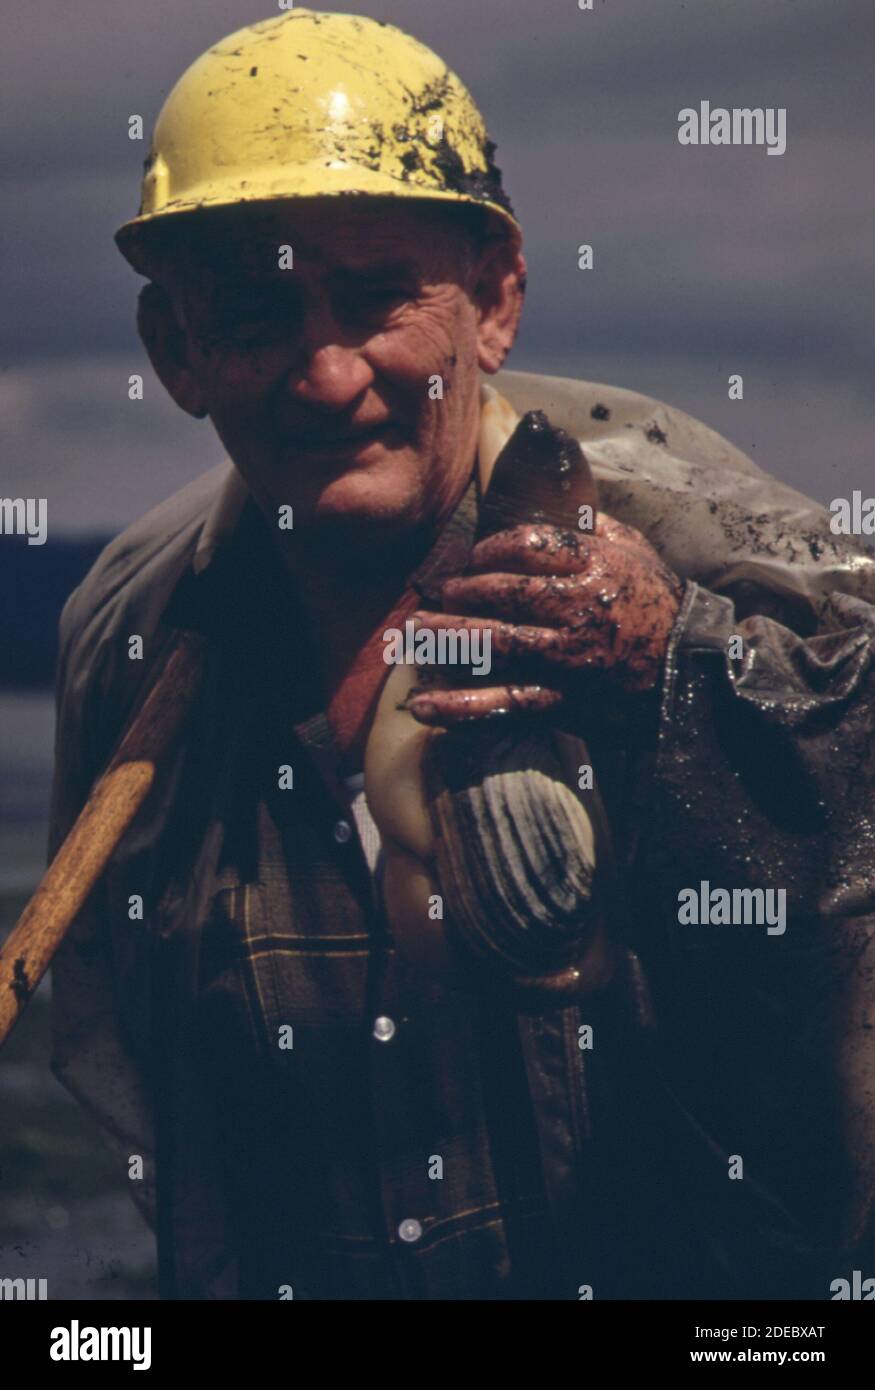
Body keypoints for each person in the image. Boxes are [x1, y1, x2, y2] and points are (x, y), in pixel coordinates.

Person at [49, 8, 875, 1300]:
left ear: (495, 303)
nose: (328, 377)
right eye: (258, 310)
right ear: (177, 353)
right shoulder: (129, 639)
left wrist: (682, 673)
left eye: (378, 296)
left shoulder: (744, 574)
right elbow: (135, 1085)